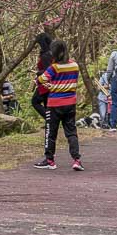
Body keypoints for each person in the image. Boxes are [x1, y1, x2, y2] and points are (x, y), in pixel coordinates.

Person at [33, 40, 83, 171]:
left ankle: (50, 160)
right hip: (70, 103)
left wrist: (41, 81)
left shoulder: (53, 67)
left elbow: (42, 79)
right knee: (71, 132)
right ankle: (77, 160)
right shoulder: (75, 65)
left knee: (51, 132)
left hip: (54, 104)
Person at [30, 32, 52, 120]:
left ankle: (49, 118)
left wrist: (37, 73)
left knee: (35, 101)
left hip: (45, 82)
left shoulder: (46, 55)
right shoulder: (52, 53)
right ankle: (50, 122)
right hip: (48, 82)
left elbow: (48, 70)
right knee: (47, 103)